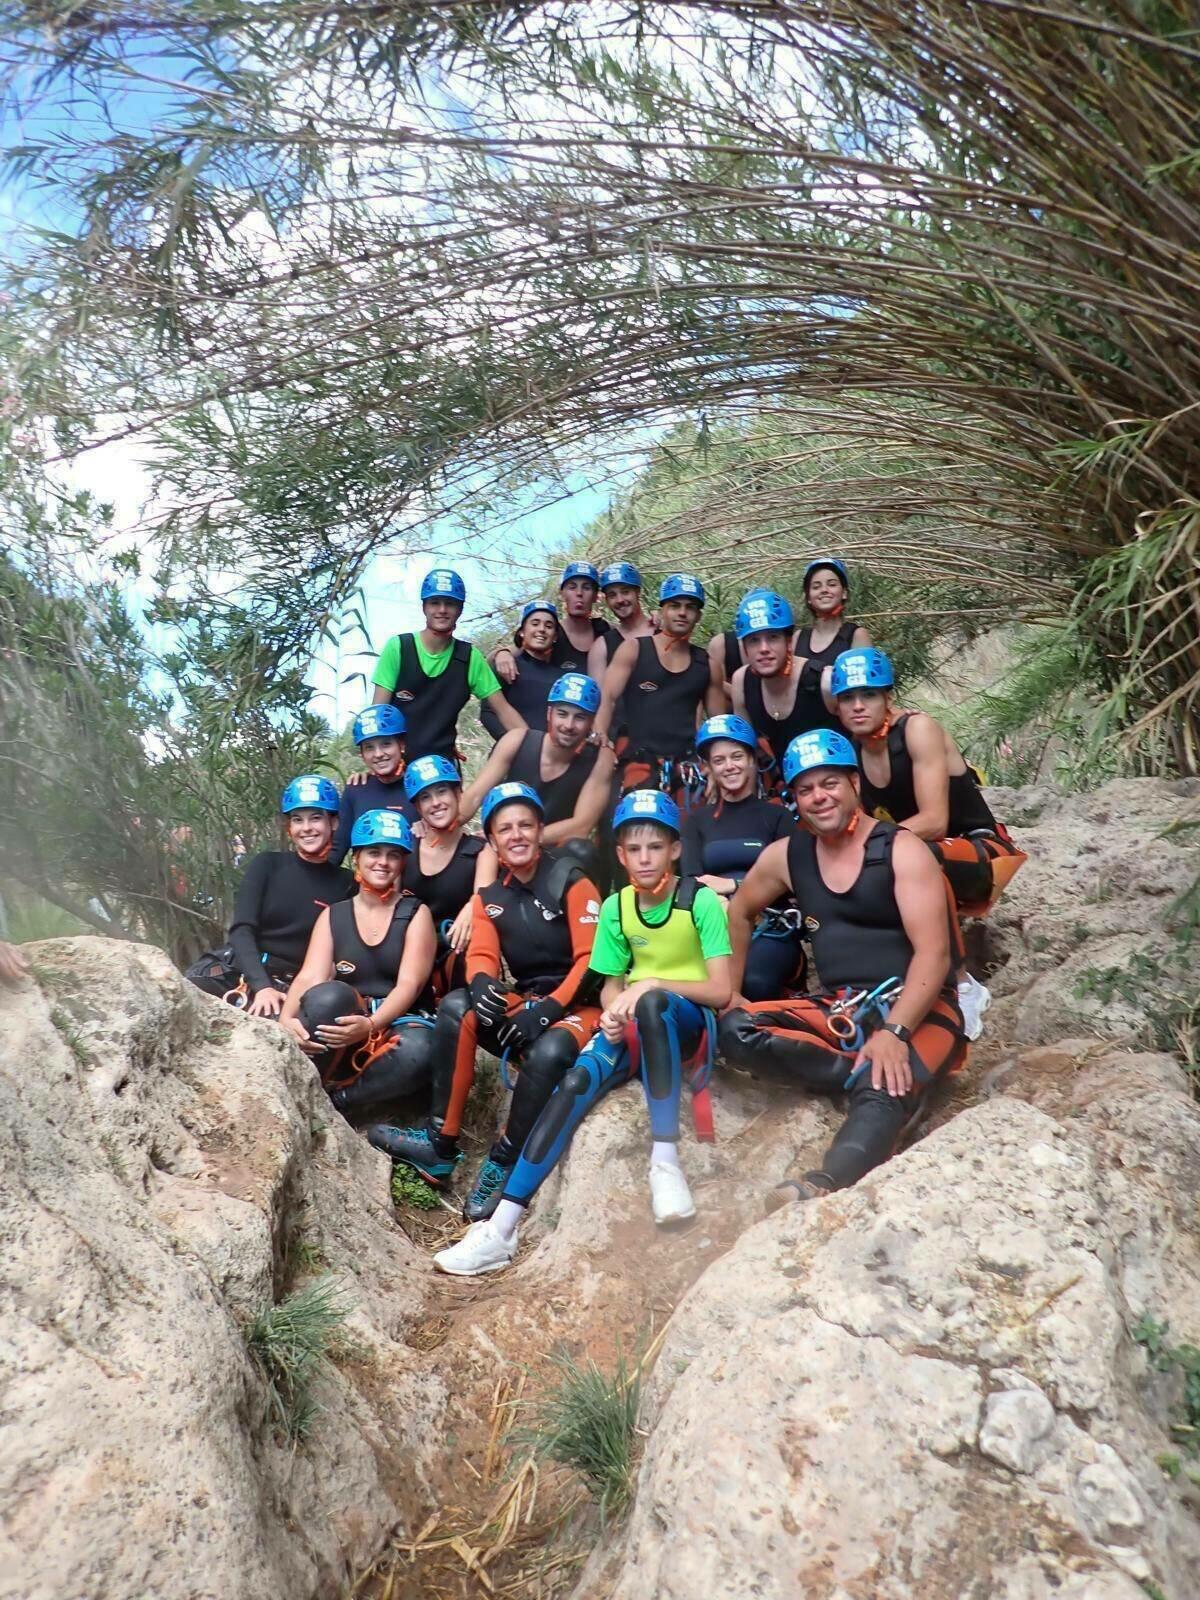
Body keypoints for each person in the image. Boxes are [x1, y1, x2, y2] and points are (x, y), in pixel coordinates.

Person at [431, 789, 733, 1276]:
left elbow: (720, 990)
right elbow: (612, 985)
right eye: (634, 849)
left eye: (655, 847)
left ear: (675, 849)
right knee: (573, 1083)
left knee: (652, 1004)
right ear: (620, 855)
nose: (644, 858)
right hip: (636, 1021)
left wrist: (648, 984)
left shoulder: (698, 901)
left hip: (688, 1022)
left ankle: (665, 1163)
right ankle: (501, 1230)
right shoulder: (616, 906)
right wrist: (613, 1010)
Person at [719, 729, 969, 1209]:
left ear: (854, 783)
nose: (820, 797)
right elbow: (740, 912)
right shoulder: (788, 857)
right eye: (806, 789)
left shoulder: (900, 849)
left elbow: (933, 955)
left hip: (920, 1006)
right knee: (736, 1029)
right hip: (842, 1009)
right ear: (794, 798)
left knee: (883, 1086)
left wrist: (895, 1031)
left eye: (829, 783)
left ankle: (827, 1181)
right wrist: (732, 990)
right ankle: (864, 1071)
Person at [366, 782, 603, 1222]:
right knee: (457, 1006)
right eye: (505, 828)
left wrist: (548, 1010)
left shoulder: (571, 881)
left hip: (579, 1006)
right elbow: (482, 956)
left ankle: (504, 1159)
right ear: (492, 839)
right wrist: (480, 985)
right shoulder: (491, 899)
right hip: (528, 1001)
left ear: (540, 830)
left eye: (525, 826)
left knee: (551, 1050)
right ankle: (440, 1144)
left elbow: (593, 961)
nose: (516, 836)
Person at [830, 646, 1027, 1038]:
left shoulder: (917, 730)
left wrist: (872, 847)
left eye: (868, 694)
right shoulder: (852, 751)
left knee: (911, 857)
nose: (857, 705)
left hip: (979, 850)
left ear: (888, 697)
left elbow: (935, 821)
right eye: (848, 697)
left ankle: (964, 985)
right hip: (919, 848)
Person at [280, 808, 438, 1122]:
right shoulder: (334, 915)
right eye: (374, 852)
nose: (383, 861)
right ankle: (308, 1087)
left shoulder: (416, 915)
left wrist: (371, 1024)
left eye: (393, 854)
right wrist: (286, 1019)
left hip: (395, 1025)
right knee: (327, 996)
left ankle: (339, 1103)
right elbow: (311, 975)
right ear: (357, 858)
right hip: (347, 1023)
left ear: (402, 862)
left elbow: (410, 984)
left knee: (421, 1050)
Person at [185, 775, 354, 1014]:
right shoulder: (268, 865)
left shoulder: (345, 884)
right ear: (290, 827)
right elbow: (242, 929)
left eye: (316, 818)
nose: (306, 828)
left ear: (334, 822)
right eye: (297, 820)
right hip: (241, 972)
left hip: (293, 986)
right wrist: (261, 986)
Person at [682, 714, 804, 1000]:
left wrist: (735, 888)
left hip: (771, 924)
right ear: (709, 768)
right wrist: (719, 904)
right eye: (719, 760)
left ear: (751, 759)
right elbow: (690, 881)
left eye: (737, 756)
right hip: (713, 923)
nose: (729, 766)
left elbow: (795, 878)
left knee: (755, 981)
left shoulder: (778, 816)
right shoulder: (696, 822)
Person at [371, 567, 524, 763]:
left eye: (450, 603)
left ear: (459, 609)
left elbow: (503, 710)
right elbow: (377, 716)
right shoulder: (399, 648)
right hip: (397, 766)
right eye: (435, 602)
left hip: (442, 769)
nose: (442, 610)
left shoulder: (469, 658)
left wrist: (537, 746)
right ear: (424, 607)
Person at [596, 573, 724, 808]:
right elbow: (607, 697)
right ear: (662, 610)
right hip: (637, 761)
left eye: (690, 607)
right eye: (675, 606)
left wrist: (717, 766)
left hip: (687, 765)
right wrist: (601, 740)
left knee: (687, 836)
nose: (682, 612)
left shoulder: (707, 665)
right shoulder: (634, 649)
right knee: (633, 832)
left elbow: (717, 724)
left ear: (698, 615)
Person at [461, 674, 616, 848]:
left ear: (591, 722)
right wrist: (442, 826)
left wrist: (522, 838)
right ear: (549, 713)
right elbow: (474, 796)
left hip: (551, 854)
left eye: (579, 717)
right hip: (505, 847)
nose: (568, 725)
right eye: (562, 714)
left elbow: (581, 826)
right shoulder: (518, 741)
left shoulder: (599, 761)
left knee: (580, 850)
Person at [401, 754, 497, 994]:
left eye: (442, 792)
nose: (435, 803)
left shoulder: (480, 850)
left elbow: (483, 893)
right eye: (425, 797)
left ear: (458, 794)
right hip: (408, 959)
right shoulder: (404, 849)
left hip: (459, 955)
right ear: (417, 807)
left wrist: (473, 905)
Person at [729, 590, 842, 775]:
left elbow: (871, 725)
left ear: (788, 641)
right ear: (745, 648)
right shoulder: (742, 682)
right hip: (789, 788)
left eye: (773, 637)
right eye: (754, 640)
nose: (764, 649)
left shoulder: (823, 680)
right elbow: (743, 747)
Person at [492, 561, 610, 687]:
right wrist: (502, 654)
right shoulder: (550, 634)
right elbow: (503, 654)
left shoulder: (605, 631)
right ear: (561, 594)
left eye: (586, 587)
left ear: (595, 596)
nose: (579, 593)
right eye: (572, 587)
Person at [331, 704, 414, 866]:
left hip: (417, 886)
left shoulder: (419, 787)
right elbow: (337, 848)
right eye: (369, 747)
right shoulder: (356, 789)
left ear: (401, 745)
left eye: (386, 744)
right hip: (369, 886)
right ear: (362, 754)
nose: (378, 754)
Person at [480, 600, 563, 741]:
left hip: (551, 756)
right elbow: (487, 713)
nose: (542, 629)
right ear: (522, 632)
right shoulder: (505, 666)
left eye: (549, 626)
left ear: (555, 636)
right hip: (510, 753)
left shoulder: (562, 678)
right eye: (535, 624)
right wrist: (513, 745)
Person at [796, 557, 872, 674]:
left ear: (844, 593)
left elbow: (866, 683)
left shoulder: (856, 636)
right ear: (808, 597)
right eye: (816, 587)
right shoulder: (798, 638)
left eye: (832, 584)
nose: (824, 590)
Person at [587, 561, 654, 684]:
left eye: (625, 592)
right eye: (612, 595)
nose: (620, 600)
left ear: (638, 592)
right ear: (606, 600)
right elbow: (598, 699)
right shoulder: (602, 646)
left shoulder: (662, 631)